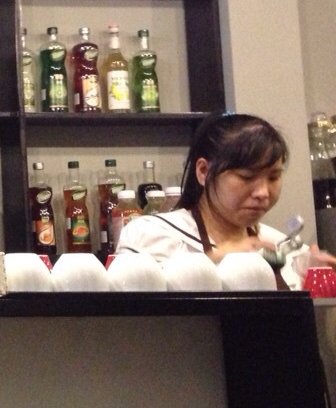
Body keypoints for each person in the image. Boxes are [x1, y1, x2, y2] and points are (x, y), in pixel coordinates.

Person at [116, 112, 335, 289]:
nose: (263, 192)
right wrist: (218, 257)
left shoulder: (280, 247)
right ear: (203, 171)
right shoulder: (150, 235)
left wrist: (311, 275)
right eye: (247, 177)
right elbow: (132, 310)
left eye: (273, 177)